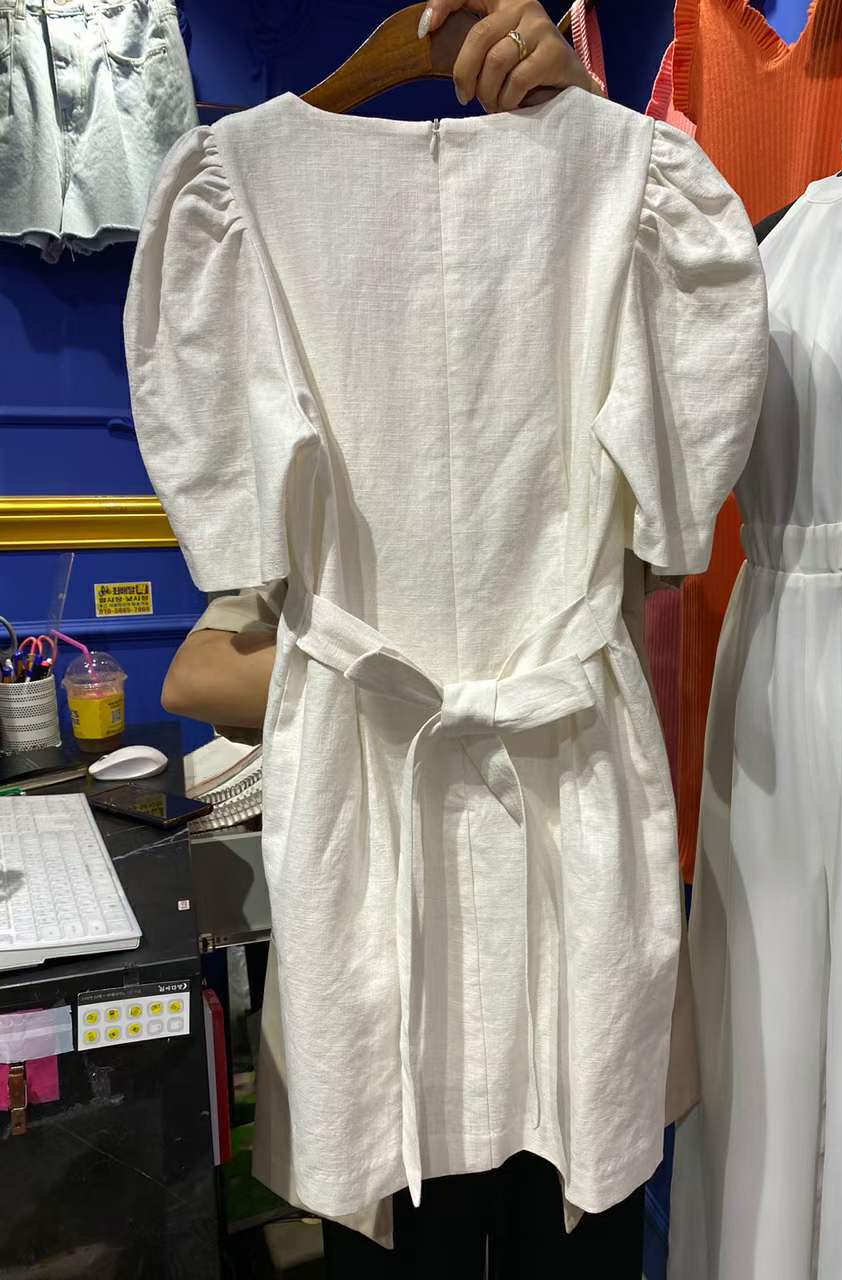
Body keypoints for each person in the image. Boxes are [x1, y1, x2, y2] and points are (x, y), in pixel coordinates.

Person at [162, 3, 699, 1274]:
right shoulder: (235, 199)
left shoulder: (632, 186)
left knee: (541, 1182)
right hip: (474, 779)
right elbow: (668, 520)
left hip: (481, 771)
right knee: (471, 1185)